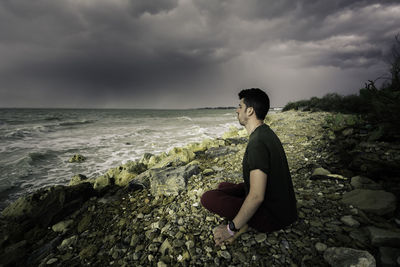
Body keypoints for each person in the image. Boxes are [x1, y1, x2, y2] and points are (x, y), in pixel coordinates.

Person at [201, 88, 297, 246]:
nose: (237, 110)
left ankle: (244, 224)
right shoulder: (265, 133)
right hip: (285, 208)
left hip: (273, 217)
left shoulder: (257, 143)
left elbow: (257, 196)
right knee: (223, 186)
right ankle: (242, 214)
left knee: (208, 198)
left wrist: (231, 228)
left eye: (240, 106)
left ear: (250, 110)